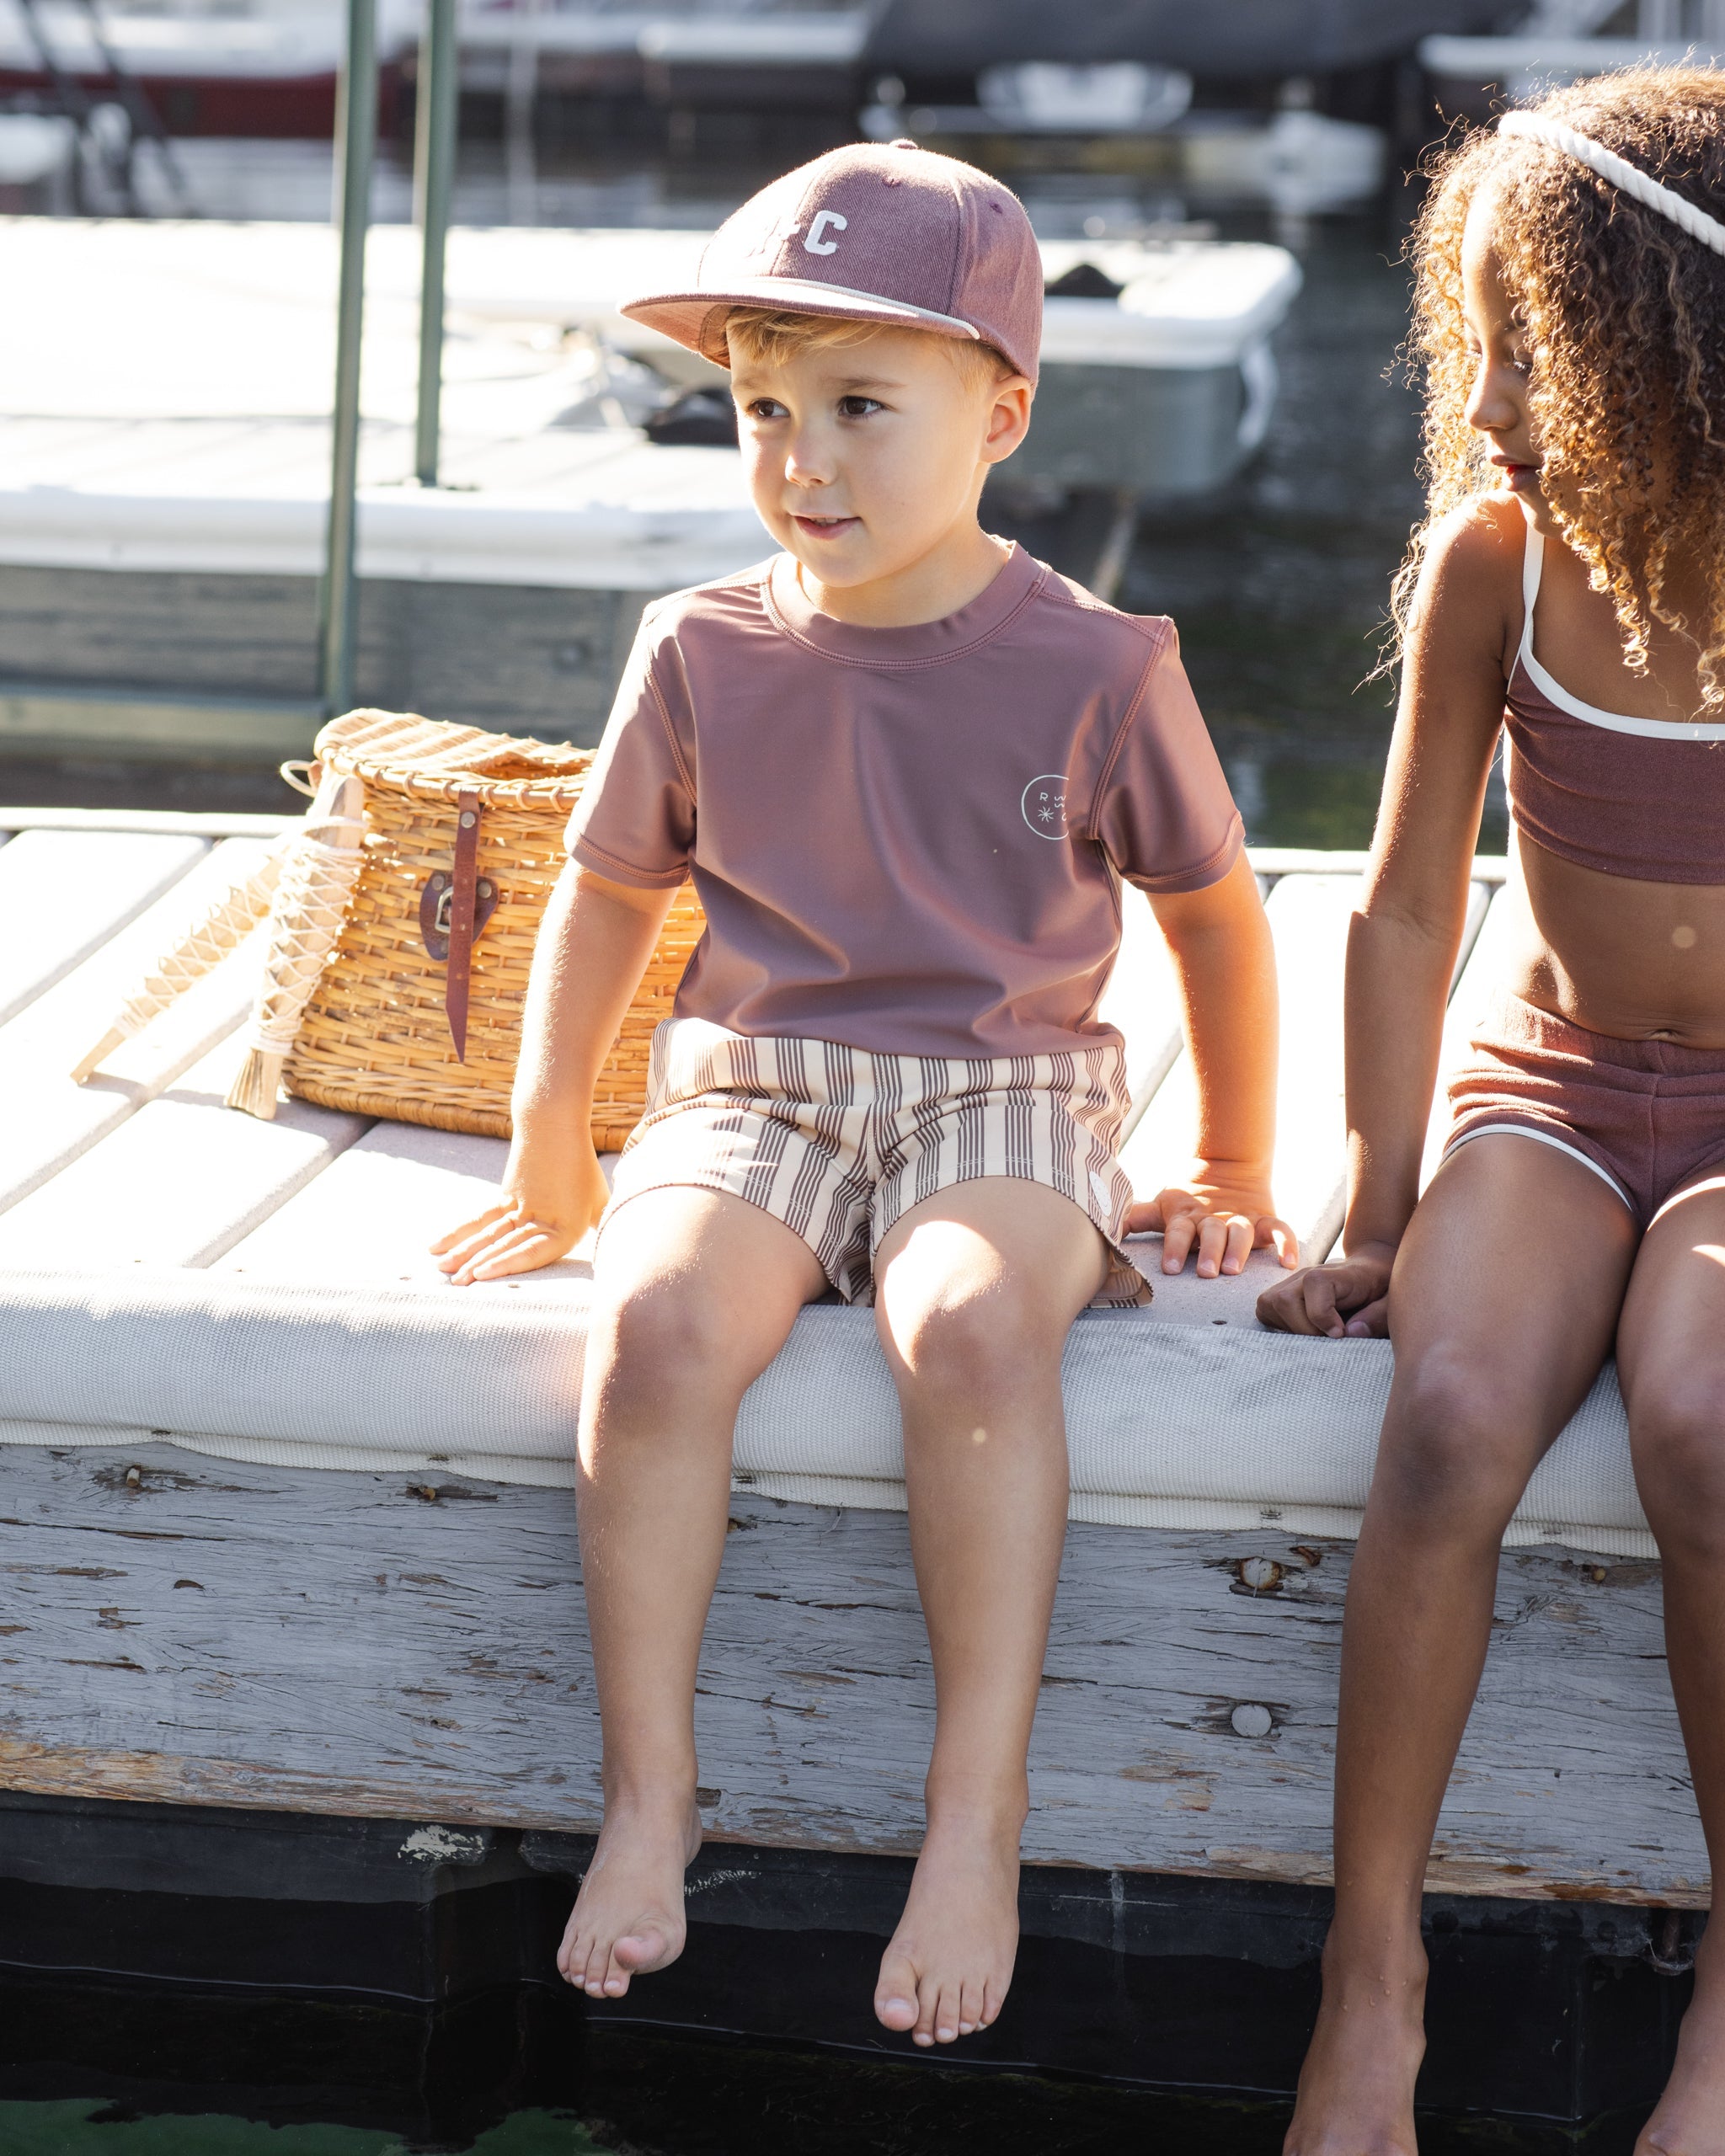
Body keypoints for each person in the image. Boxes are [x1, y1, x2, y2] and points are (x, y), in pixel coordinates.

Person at [434, 140, 1293, 2052]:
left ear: (1000, 412)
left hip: (1003, 1086)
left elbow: (1217, 919)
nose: (797, 459)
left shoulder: (1095, 660)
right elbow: (605, 892)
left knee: (970, 1326)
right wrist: (551, 1133)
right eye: (758, 408)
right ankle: (651, 1790)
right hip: (763, 1078)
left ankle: (969, 1811)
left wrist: (1232, 1152)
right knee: (654, 1325)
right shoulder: (703, 646)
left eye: (855, 408)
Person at [1257, 70, 1725, 2156]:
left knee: (1707, 1421)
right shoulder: (1497, 561)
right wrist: (1367, 1204)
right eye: (1479, 336)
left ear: (1669, 342)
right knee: (1445, 1414)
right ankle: (1374, 1968)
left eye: (1535, 336)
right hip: (1551, 1084)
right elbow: (1409, 899)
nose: (1491, 385)